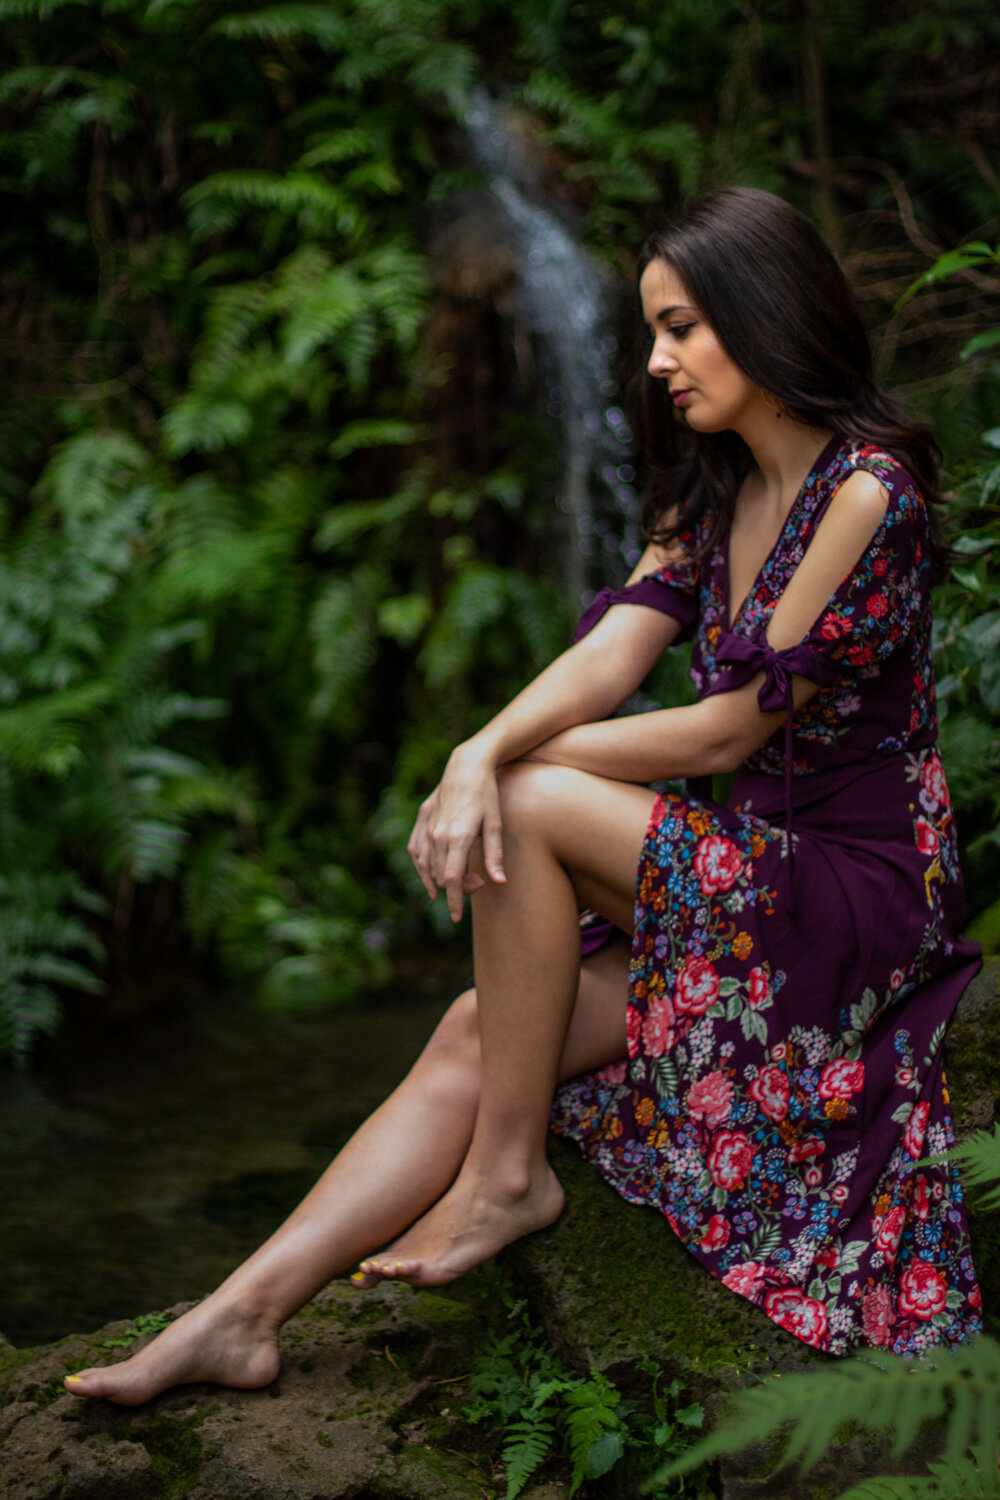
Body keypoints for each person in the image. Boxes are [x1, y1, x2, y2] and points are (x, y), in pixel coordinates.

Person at [65, 186, 982, 1405]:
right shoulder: (711, 489)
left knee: (538, 806)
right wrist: (476, 751)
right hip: (741, 872)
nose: (655, 361)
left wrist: (508, 775)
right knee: (477, 1030)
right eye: (651, 331)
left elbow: (724, 730)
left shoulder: (865, 493)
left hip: (853, 896)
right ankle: (236, 1316)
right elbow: (611, 657)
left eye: (681, 328)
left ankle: (506, 1177)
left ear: (764, 319)